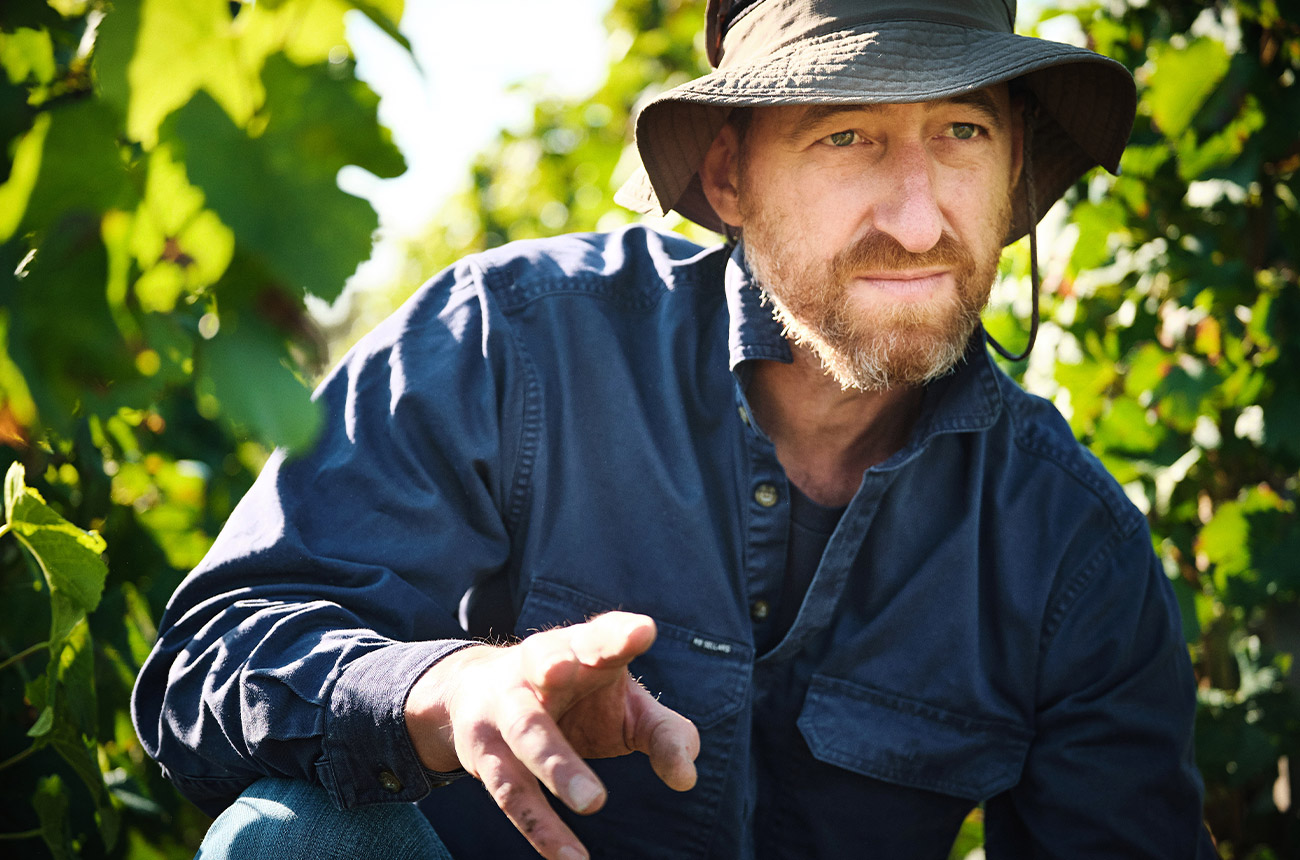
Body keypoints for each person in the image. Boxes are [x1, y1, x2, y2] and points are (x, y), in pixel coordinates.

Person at [132, 1, 1218, 858]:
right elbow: (205, 660)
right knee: (297, 838)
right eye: (847, 136)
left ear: (1017, 167)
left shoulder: (1073, 550)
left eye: (962, 132)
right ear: (728, 174)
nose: (918, 217)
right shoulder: (511, 344)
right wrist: (443, 688)